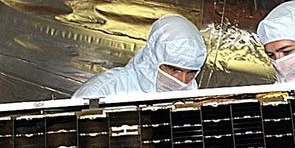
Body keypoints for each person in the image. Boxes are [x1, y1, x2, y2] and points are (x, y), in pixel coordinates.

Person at [73, 15, 207, 98]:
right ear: (153, 59)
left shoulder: (192, 95)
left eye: (191, 72)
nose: (182, 80)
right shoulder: (102, 93)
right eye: (174, 70)